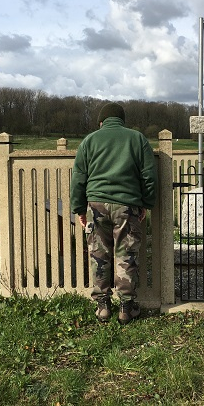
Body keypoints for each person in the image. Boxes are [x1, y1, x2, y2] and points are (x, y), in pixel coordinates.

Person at [70, 102, 157, 324]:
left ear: (101, 121)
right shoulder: (137, 139)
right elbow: (149, 175)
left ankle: (103, 307)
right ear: (121, 120)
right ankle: (126, 308)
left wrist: (79, 209)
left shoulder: (89, 141)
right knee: (126, 255)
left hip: (96, 205)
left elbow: (79, 178)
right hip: (127, 205)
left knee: (99, 256)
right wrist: (146, 203)